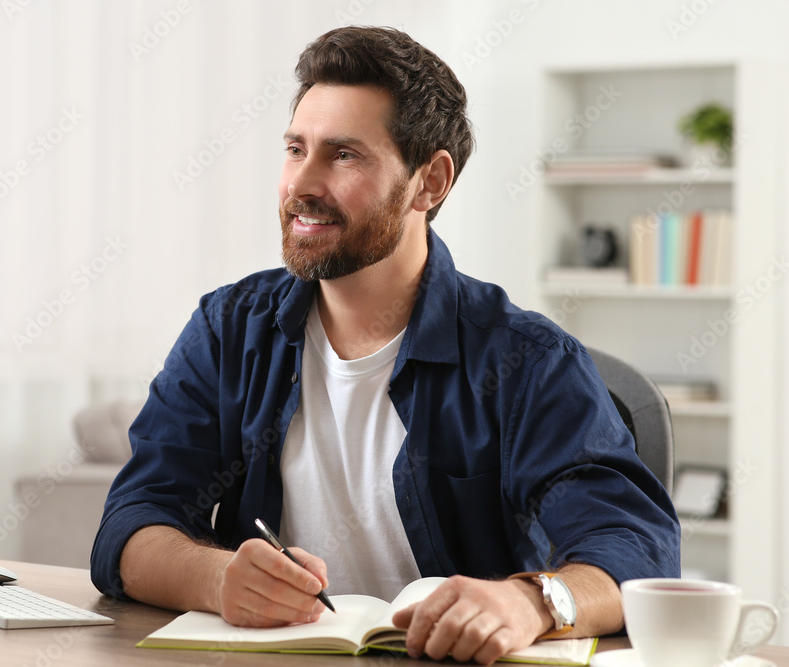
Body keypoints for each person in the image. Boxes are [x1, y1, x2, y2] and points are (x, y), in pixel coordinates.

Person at [91, 25, 680, 665]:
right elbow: (131, 522)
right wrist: (214, 577)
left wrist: (530, 602)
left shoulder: (528, 360)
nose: (302, 184)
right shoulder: (228, 329)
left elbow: (634, 545)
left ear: (430, 183)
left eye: (343, 155)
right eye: (295, 149)